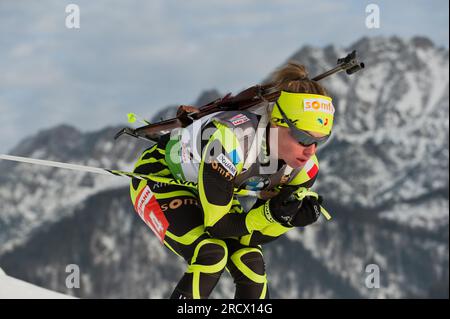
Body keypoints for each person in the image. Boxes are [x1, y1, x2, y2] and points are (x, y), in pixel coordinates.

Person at [129, 62, 335, 299]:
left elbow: (250, 235)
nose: (311, 151)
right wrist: (271, 215)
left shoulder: (305, 168)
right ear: (278, 122)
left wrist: (284, 219)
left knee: (251, 264)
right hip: (163, 177)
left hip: (212, 188)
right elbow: (218, 226)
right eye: (302, 138)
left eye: (321, 140)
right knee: (210, 254)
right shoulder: (231, 141)